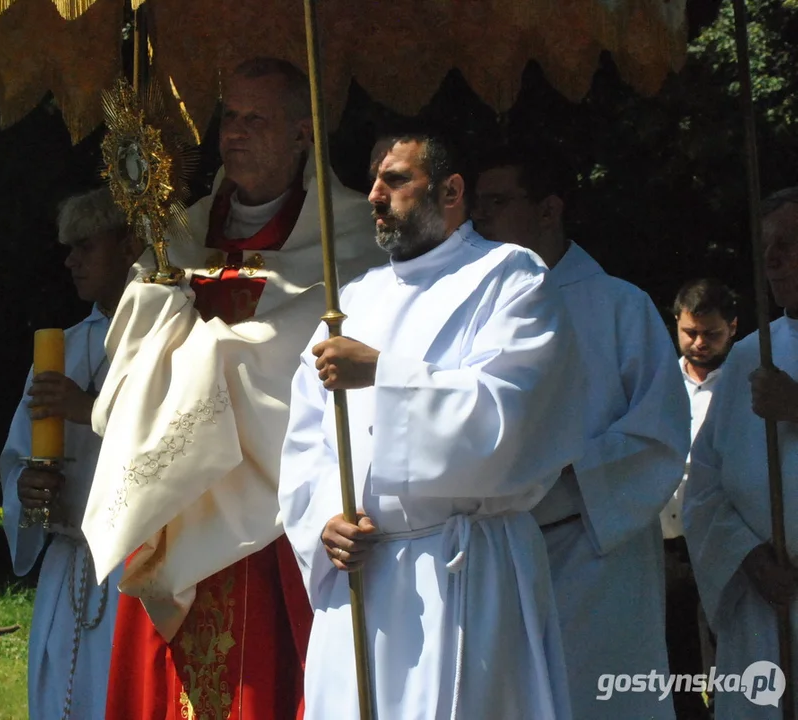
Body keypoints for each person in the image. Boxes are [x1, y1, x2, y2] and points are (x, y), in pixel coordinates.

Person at [81, 57, 385, 719]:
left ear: (304, 133)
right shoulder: (181, 233)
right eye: (229, 119)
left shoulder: (348, 236)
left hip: (270, 504)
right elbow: (131, 341)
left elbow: (310, 342)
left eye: (256, 119)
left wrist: (205, 345)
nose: (235, 135)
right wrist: (168, 307)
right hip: (179, 505)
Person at [279, 133, 584, 718]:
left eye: (394, 180)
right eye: (373, 180)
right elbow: (307, 438)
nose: (374, 195)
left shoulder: (509, 276)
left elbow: (511, 416)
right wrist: (325, 518)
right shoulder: (353, 302)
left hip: (462, 571)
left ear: (450, 190)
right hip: (362, 578)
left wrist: (384, 374)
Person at [473, 145, 690, 719]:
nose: (480, 219)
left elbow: (660, 435)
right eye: (478, 205)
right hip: (500, 553)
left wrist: (563, 466)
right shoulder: (473, 311)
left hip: (598, 554)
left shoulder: (621, 307)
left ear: (548, 210)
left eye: (497, 202)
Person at [0, 188, 142, 719]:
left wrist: (88, 409)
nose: (70, 260)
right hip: (70, 558)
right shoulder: (65, 346)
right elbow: (18, 453)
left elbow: (181, 438)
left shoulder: (169, 336)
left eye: (84, 245)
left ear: (130, 245)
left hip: (135, 563)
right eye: (67, 247)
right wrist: (25, 488)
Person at [684, 186, 798, 720]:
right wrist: (748, 558)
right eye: (767, 245)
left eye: (790, 243)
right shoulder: (753, 355)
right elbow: (704, 486)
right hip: (764, 602)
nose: (773, 259)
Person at [664, 278, 738, 718]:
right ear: (677, 323)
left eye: (712, 334)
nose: (699, 343)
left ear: (732, 327)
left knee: (725, 653)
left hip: (722, 540)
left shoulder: (744, 382)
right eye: (690, 332)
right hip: (666, 543)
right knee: (676, 656)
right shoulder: (659, 381)